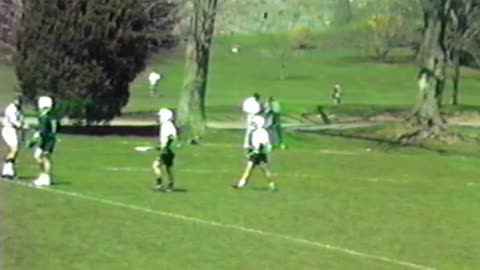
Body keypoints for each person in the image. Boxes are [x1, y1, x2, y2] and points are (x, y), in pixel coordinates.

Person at [233, 115, 277, 191]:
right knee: (248, 168)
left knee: (265, 170)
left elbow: (264, 144)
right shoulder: (253, 132)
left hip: (260, 154)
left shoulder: (262, 132)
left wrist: (258, 150)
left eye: (254, 123)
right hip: (255, 153)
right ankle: (241, 183)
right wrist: (250, 149)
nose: (253, 124)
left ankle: (272, 184)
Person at [29, 96, 58, 186]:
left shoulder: (45, 116)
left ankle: (46, 177)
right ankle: (45, 175)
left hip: (48, 139)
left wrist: (34, 139)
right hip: (47, 139)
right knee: (37, 156)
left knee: (45, 157)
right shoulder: (48, 115)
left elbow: (43, 130)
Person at [152, 108, 178, 192]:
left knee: (156, 165)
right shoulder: (167, 124)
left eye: (160, 116)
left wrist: (165, 147)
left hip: (167, 150)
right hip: (169, 150)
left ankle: (159, 184)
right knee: (168, 168)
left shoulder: (166, 125)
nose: (158, 117)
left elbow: (171, 137)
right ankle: (170, 185)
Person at [1, 96, 27, 179]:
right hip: (8, 129)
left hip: (13, 130)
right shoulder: (11, 109)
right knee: (14, 149)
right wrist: (22, 126)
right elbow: (14, 121)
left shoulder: (19, 109)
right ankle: (8, 170)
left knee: (15, 151)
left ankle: (8, 169)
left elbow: (21, 119)